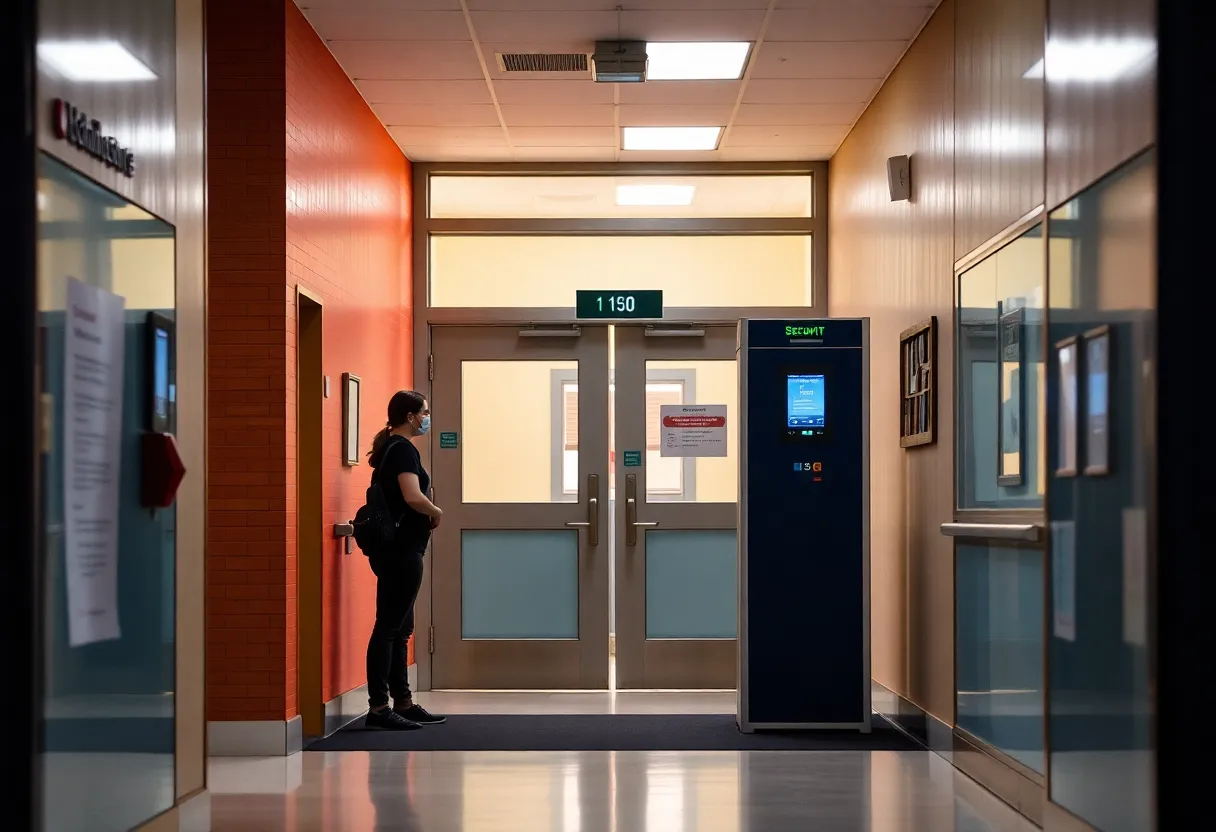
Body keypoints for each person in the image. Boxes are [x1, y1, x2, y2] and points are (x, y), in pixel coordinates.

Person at [364, 390, 446, 730]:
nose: (427, 417)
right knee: (389, 627)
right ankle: (379, 708)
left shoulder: (392, 448)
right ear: (411, 416)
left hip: (398, 550)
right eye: (424, 412)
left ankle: (404, 701)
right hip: (401, 551)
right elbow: (412, 496)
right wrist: (436, 510)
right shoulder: (402, 451)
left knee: (401, 627)